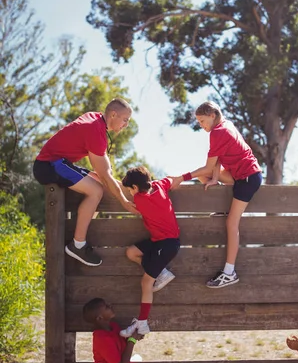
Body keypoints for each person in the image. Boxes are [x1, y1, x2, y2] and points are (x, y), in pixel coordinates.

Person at [33, 98, 137, 266]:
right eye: (125, 120)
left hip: (58, 162)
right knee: (96, 191)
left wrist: (119, 185)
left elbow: (103, 174)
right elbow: (105, 174)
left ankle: (81, 230)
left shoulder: (95, 119)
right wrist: (124, 201)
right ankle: (78, 244)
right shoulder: (95, 131)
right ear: (113, 114)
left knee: (99, 182)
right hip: (49, 165)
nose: (126, 125)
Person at [171, 101, 262, 289]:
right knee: (206, 176)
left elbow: (208, 165)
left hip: (247, 178)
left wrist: (182, 177)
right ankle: (222, 209)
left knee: (231, 223)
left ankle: (229, 272)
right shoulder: (225, 125)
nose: (201, 125)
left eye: (202, 121)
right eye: (199, 122)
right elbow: (218, 158)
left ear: (212, 115)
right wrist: (214, 177)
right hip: (242, 175)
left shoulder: (218, 132)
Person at [119, 166, 180, 337]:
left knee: (146, 283)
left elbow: (131, 200)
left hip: (167, 244)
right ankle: (161, 272)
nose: (130, 193)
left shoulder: (139, 199)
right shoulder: (160, 185)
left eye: (130, 189)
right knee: (132, 252)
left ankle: (142, 323)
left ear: (136, 188)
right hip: (159, 241)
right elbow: (172, 179)